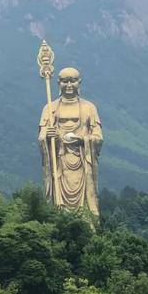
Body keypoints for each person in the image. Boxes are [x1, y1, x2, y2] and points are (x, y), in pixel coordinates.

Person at [38, 67, 102, 219]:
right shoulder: (50, 109)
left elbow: (98, 137)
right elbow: (42, 136)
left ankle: (87, 220)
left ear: (79, 83)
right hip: (59, 163)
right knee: (59, 201)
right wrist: (47, 135)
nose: (69, 85)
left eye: (72, 81)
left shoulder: (89, 108)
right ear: (58, 83)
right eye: (65, 81)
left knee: (85, 199)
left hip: (82, 162)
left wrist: (83, 140)